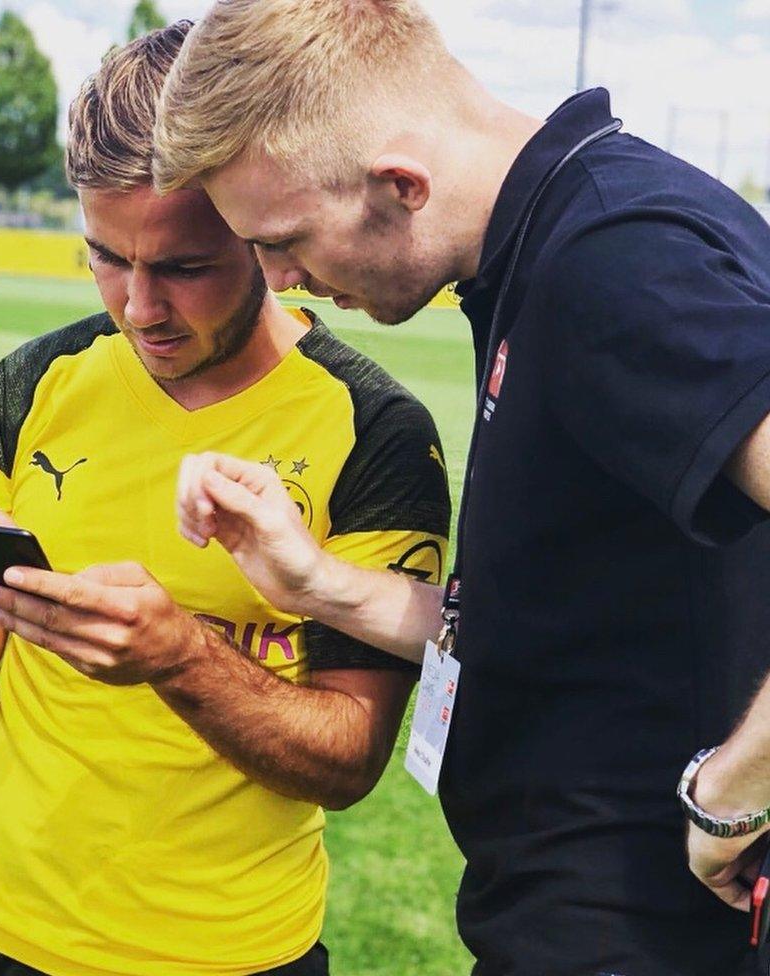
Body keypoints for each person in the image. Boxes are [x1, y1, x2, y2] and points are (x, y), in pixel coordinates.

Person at [154, 2, 770, 974]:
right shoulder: (546, 239)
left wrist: (739, 785)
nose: (280, 282)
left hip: (646, 935)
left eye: (282, 240)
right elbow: (566, 615)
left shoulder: (609, 257)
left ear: (398, 184)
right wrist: (313, 580)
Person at [0, 21, 450, 976]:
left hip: (230, 953)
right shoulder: (39, 381)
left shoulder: (377, 433)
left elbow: (351, 758)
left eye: (183, 267)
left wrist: (178, 657)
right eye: (105, 258)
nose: (139, 305)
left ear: (262, 229)